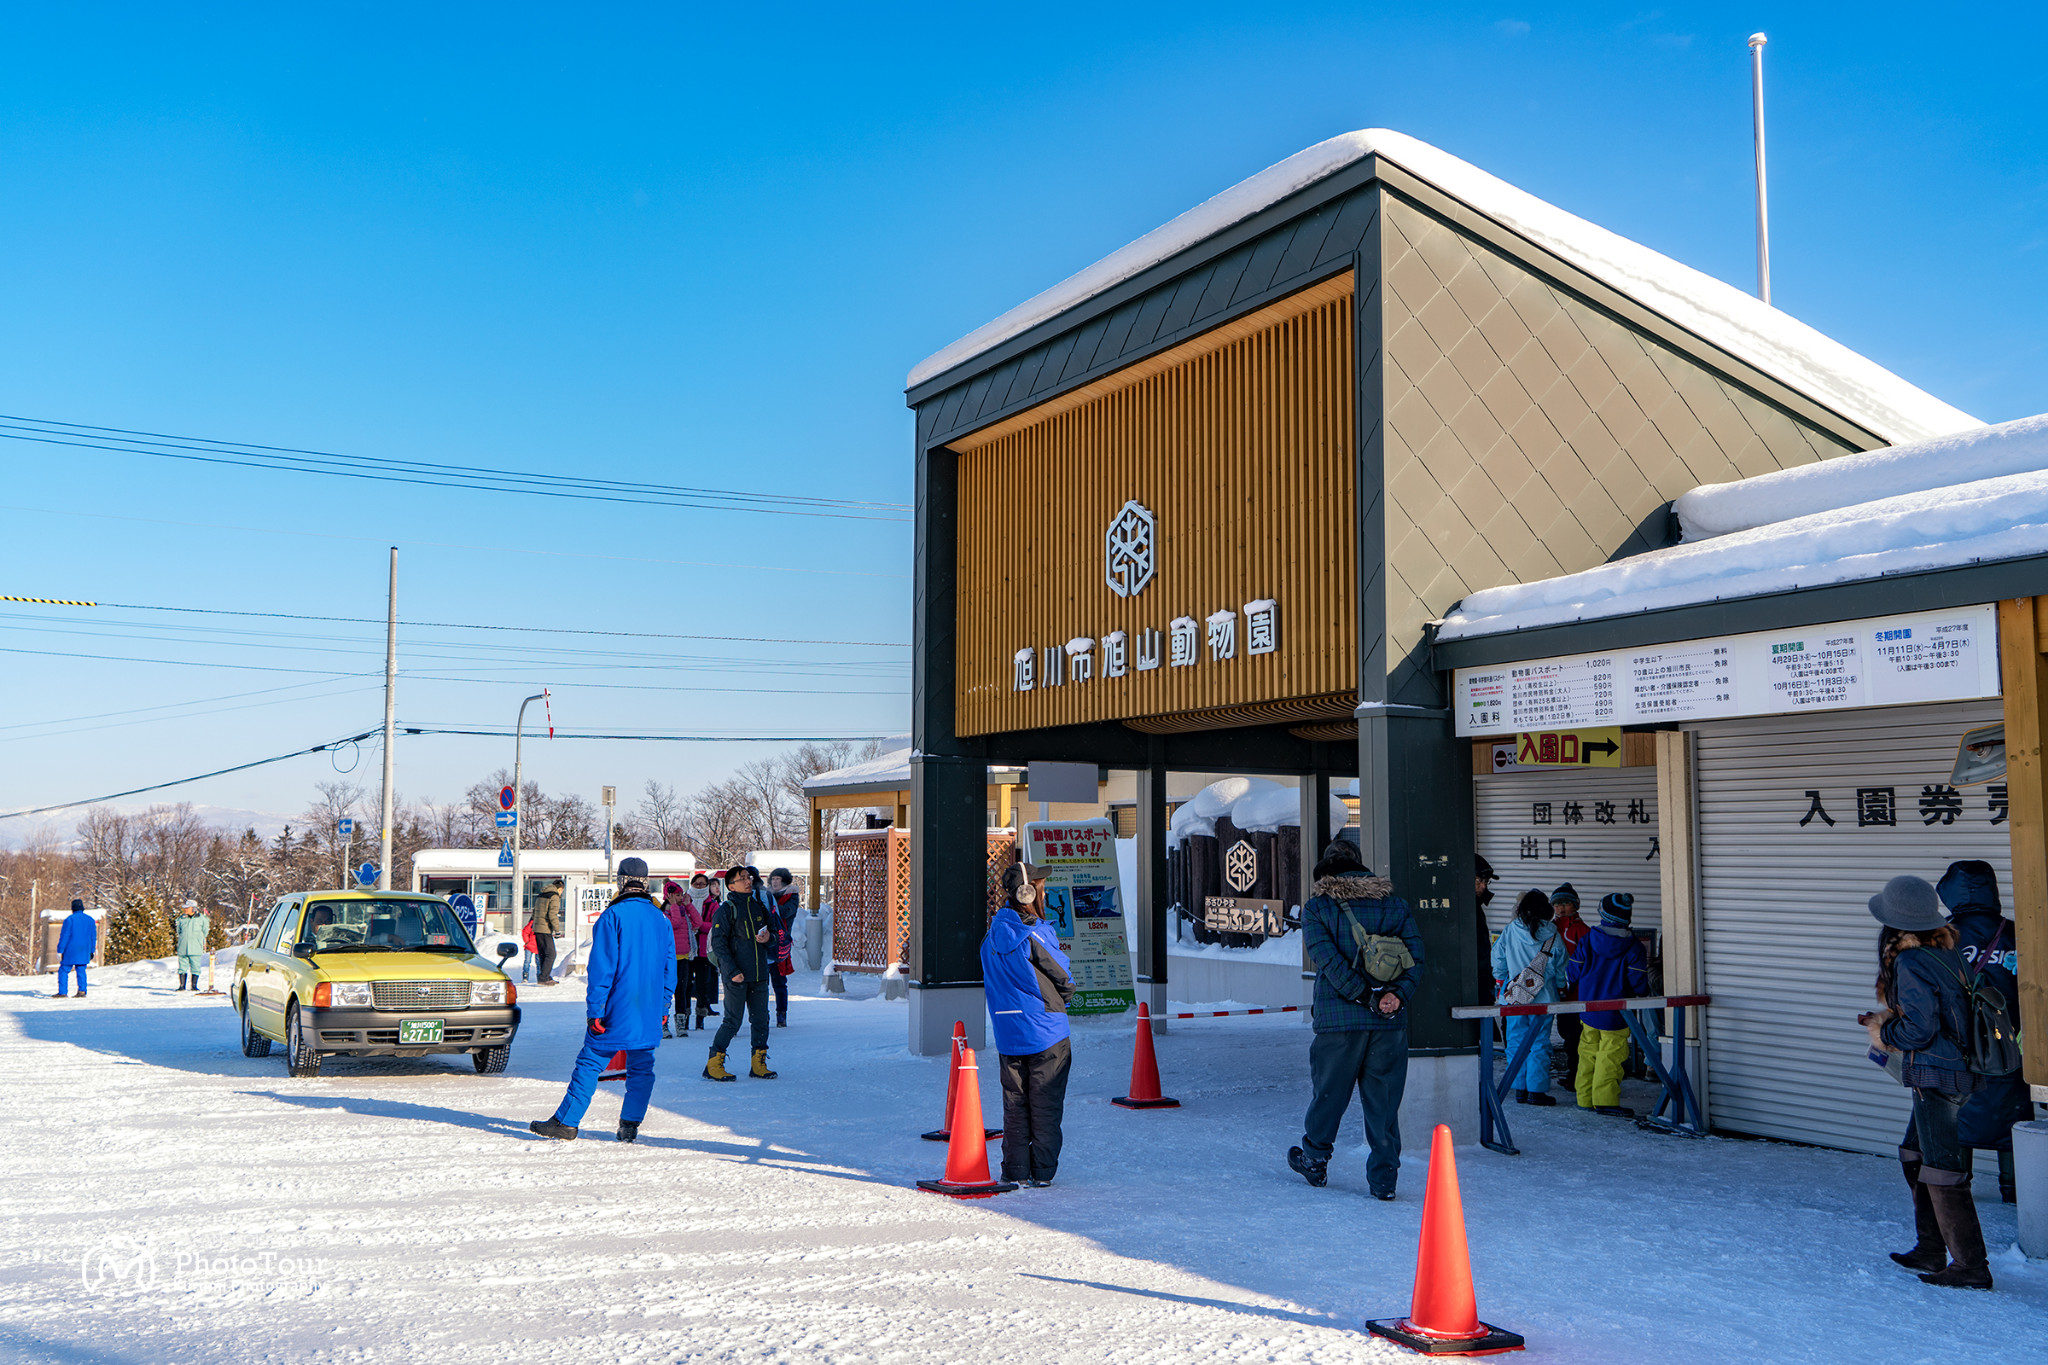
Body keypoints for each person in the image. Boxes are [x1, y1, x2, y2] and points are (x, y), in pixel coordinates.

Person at [1861, 874, 1991, 1290]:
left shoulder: (1910, 961)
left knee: (1944, 1171)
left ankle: (1971, 1266)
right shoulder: (1946, 953)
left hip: (1938, 1074)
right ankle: (1930, 1247)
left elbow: (1920, 1029)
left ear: (1894, 924)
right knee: (1914, 1154)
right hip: (1956, 1070)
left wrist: (1884, 1032)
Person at [1289, 837, 1425, 1199]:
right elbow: (1417, 957)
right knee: (1383, 1104)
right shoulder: (1395, 905)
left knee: (1329, 1095)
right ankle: (1384, 1181)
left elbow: (1327, 960)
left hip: (1339, 1021)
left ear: (1326, 871)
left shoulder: (1318, 908)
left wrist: (1363, 995)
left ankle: (1315, 1161)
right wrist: (1394, 996)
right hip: (1388, 1022)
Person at [530, 857, 675, 1143]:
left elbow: (602, 970)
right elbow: (670, 970)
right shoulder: (661, 919)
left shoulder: (612, 916)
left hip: (617, 1006)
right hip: (648, 1008)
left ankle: (567, 1121)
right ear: (645, 883)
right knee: (642, 1065)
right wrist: (663, 1008)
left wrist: (595, 1009)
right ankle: (630, 1125)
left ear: (621, 882)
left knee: (590, 1061)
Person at [1938, 860, 2029, 1204]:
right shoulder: (2017, 932)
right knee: (2013, 1116)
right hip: (2012, 1047)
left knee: (1958, 1116)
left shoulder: (1943, 936)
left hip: (1958, 1046)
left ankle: (1959, 1188)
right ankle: (2015, 1189)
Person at [982, 861, 1073, 1187]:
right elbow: (1065, 979)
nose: (1043, 890)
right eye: (1039, 885)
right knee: (1045, 1105)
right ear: (1028, 891)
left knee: (1015, 1106)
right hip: (1046, 1032)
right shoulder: (1035, 932)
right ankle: (1043, 1173)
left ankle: (1015, 1171)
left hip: (1009, 1034)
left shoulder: (990, 938)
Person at [1567, 892, 1648, 1116]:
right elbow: (1638, 981)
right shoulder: (1634, 947)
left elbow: (1573, 971)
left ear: (1602, 915)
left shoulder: (1587, 940)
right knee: (1610, 1056)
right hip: (1617, 1014)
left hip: (1588, 1010)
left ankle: (1584, 1098)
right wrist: (1643, 993)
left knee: (1587, 1052)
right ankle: (1605, 1101)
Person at [1491, 889, 1568, 1105]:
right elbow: (1560, 967)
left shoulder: (1510, 930)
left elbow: (1497, 959)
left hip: (1514, 998)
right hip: (1543, 998)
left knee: (1515, 1041)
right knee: (1539, 1043)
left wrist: (1502, 980)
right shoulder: (1553, 935)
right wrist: (1560, 986)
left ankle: (1519, 1089)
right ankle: (1536, 1091)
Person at [706, 865, 777, 1081]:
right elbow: (719, 945)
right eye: (742, 878)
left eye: (749, 877)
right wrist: (732, 971)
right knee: (732, 1021)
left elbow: (773, 933)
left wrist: (769, 938)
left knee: (761, 1020)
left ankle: (758, 1064)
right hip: (736, 975)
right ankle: (713, 1063)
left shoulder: (758, 907)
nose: (748, 881)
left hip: (759, 974)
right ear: (731, 886)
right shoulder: (726, 910)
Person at [1549, 884, 1589, 1082]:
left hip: (1577, 992)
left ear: (1575, 905)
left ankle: (1577, 1076)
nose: (1561, 908)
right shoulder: (1550, 927)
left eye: (1565, 903)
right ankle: (1575, 1075)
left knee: (1575, 1035)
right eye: (1556, 904)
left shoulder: (1581, 930)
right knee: (1566, 1032)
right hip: (1560, 991)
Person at [658, 880, 698, 1038]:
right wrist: (674, 905)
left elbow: (698, 922)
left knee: (682, 991)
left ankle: (681, 1024)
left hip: (683, 957)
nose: (680, 897)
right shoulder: (663, 913)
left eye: (681, 894)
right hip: (667, 959)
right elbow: (674, 923)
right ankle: (662, 1024)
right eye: (677, 895)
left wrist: (688, 906)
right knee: (664, 992)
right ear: (668, 896)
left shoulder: (684, 910)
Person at [765, 868, 801, 1027]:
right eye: (773, 879)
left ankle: (781, 1014)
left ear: (785, 880)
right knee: (762, 982)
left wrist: (769, 903)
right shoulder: (765, 895)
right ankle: (762, 1015)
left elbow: (785, 912)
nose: (775, 882)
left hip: (780, 943)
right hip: (766, 942)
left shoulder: (791, 896)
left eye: (778, 879)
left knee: (779, 981)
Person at [54, 899, 96, 998]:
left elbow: (65, 936)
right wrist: (92, 950)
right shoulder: (90, 920)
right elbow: (93, 937)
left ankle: (62, 992)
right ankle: (82, 991)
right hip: (84, 950)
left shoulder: (69, 919)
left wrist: (60, 950)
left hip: (70, 950)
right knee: (81, 969)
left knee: (64, 970)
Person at [531, 880, 564, 986]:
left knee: (543, 954)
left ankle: (545, 976)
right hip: (545, 928)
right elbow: (552, 914)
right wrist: (557, 930)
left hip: (537, 928)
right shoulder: (554, 897)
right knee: (551, 954)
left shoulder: (541, 895)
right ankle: (544, 978)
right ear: (560, 889)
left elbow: (534, 911)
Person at [174, 899, 210, 992]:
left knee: (195, 967)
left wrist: (199, 939)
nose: (185, 909)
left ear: (193, 908)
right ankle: (182, 985)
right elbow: (179, 931)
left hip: (195, 947)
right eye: (185, 908)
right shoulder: (181, 919)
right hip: (183, 947)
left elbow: (205, 931)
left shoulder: (202, 919)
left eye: (187, 908)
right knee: (182, 967)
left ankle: (194, 986)